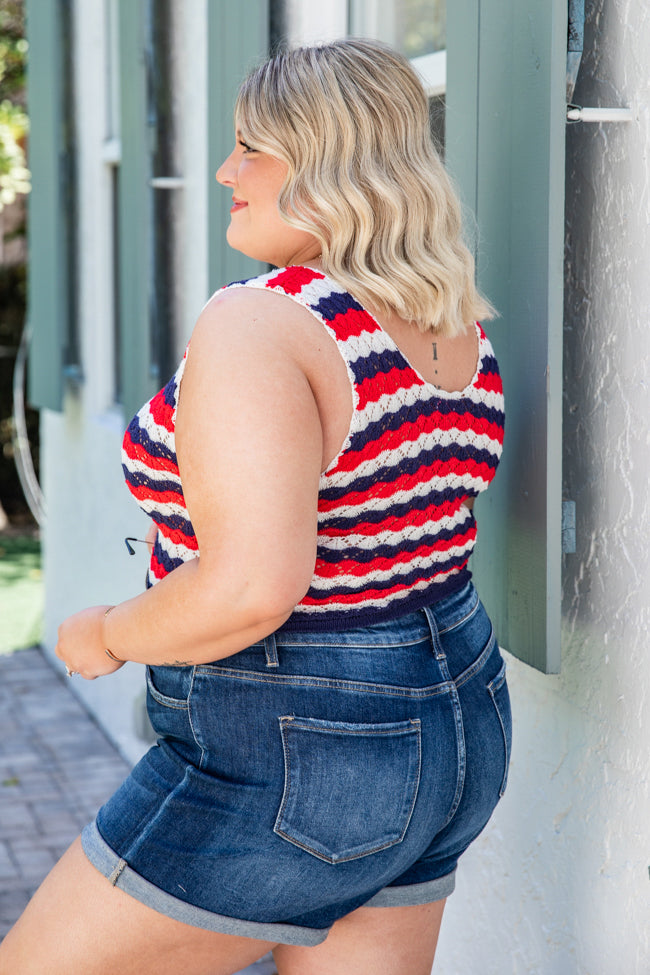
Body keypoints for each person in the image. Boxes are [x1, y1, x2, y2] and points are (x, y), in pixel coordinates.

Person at [0, 38, 509, 975]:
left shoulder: (264, 320)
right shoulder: (450, 328)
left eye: (253, 147)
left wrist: (109, 632)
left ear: (326, 160)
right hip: (456, 726)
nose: (228, 170)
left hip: (301, 742)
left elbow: (250, 585)